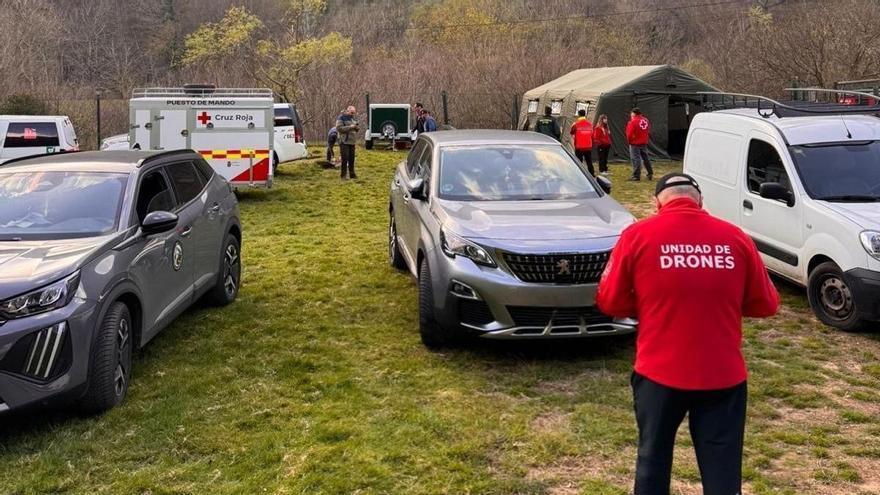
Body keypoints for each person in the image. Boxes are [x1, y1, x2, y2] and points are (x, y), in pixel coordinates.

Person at [596, 173, 780, 495]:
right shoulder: (736, 238)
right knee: (722, 470)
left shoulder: (637, 236)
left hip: (658, 375)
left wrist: (650, 305)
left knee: (652, 461)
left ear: (657, 204)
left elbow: (609, 300)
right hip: (723, 376)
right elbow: (766, 303)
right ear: (700, 202)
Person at [626, 108, 653, 181]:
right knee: (646, 158)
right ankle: (650, 173)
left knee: (636, 159)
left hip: (635, 143)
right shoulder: (646, 120)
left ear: (634, 113)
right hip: (643, 142)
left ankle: (636, 176)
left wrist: (630, 141)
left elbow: (629, 134)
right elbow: (648, 130)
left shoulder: (633, 122)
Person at [335, 106, 359, 180]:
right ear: (347, 111)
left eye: (354, 113)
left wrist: (356, 128)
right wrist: (350, 127)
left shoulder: (353, 118)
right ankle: (343, 175)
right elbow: (339, 128)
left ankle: (352, 174)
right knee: (344, 159)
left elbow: (355, 128)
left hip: (352, 141)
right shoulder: (341, 118)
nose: (353, 114)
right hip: (344, 141)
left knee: (352, 159)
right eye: (352, 113)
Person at [569, 109, 594, 175]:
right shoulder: (590, 124)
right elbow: (592, 134)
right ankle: (592, 174)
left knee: (579, 162)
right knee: (589, 161)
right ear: (585, 115)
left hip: (579, 146)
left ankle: (579, 175)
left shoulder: (575, 124)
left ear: (578, 115)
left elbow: (571, 133)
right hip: (588, 146)